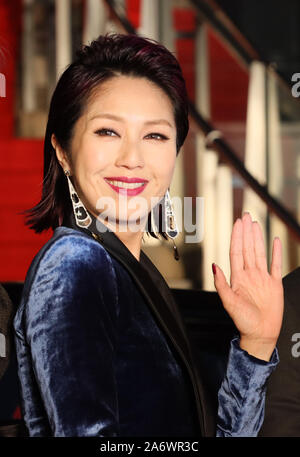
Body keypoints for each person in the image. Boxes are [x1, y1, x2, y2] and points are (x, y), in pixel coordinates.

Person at [13, 33, 283, 437]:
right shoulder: (75, 263)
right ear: (63, 151)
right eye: (107, 132)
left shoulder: (129, 270)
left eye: (155, 135)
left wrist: (257, 344)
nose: (132, 159)